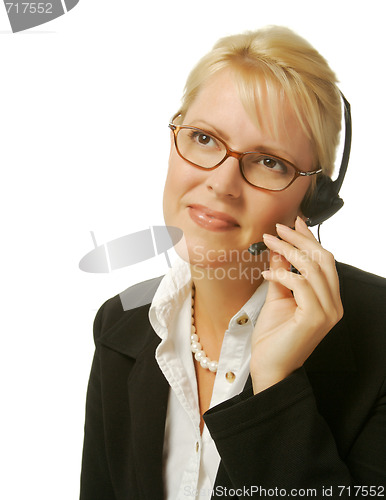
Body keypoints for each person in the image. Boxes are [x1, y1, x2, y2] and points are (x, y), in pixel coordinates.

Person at [79, 26, 386, 499]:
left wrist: (276, 389)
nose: (222, 183)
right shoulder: (121, 325)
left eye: (269, 162)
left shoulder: (381, 337)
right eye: (203, 138)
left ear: (317, 198)